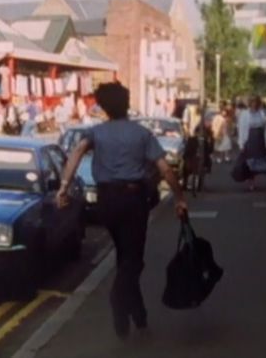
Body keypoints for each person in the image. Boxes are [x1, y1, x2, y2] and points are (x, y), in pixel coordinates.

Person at [55, 82, 188, 339]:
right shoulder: (141, 134)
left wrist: (64, 186)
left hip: (107, 201)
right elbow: (166, 169)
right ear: (127, 103)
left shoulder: (96, 133)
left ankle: (137, 318)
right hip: (133, 200)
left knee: (125, 257)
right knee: (133, 260)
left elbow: (77, 152)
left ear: (103, 106)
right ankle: (119, 300)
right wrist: (180, 197)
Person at [237, 95, 266, 191]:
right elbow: (242, 129)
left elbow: (265, 129)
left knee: (258, 161)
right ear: (250, 103)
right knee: (249, 161)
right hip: (249, 139)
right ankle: (250, 181)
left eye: (256, 102)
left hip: (259, 140)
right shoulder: (244, 114)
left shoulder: (261, 113)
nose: (254, 104)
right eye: (252, 102)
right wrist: (241, 143)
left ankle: (253, 179)